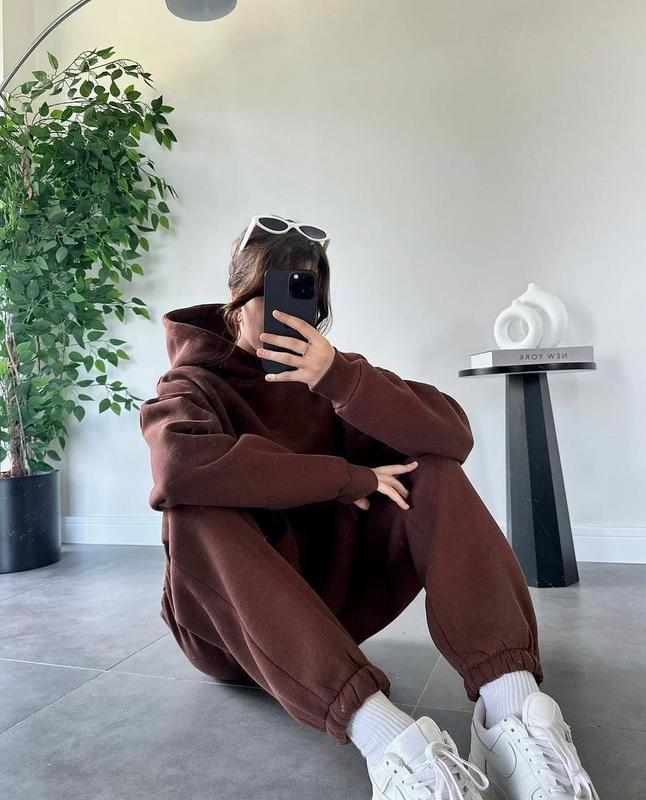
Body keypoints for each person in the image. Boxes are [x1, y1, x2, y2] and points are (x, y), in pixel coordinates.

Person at [139, 214, 600, 799]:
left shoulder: (328, 376)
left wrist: (339, 379)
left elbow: (453, 435)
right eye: (273, 292)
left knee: (431, 469)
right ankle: (390, 742)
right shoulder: (190, 385)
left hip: (329, 610)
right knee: (196, 504)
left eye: (303, 296)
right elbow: (178, 467)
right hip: (230, 631)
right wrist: (344, 478)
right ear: (236, 294)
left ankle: (511, 708)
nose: (288, 313)